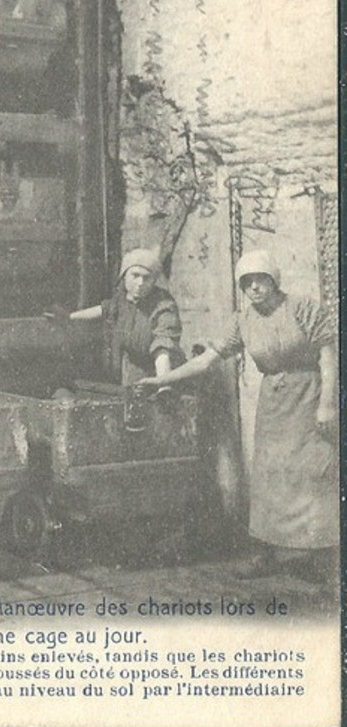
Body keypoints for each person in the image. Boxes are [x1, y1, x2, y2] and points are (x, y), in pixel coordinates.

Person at [136, 250, 338, 580]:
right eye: (247, 282)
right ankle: (267, 551)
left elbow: (328, 357)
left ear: (274, 280)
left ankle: (322, 557)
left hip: (311, 395)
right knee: (268, 476)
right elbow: (206, 360)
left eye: (261, 280)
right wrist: (161, 379)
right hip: (274, 404)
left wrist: (327, 403)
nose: (255, 288)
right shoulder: (243, 320)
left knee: (313, 475)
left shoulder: (302, 307)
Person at [54, 248, 184, 426]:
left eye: (147, 278)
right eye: (135, 275)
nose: (140, 283)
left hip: (162, 371)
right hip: (132, 370)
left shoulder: (163, 306)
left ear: (154, 280)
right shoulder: (122, 300)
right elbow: (104, 309)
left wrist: (163, 385)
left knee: (156, 420)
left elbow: (163, 348)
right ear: (124, 275)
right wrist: (70, 317)